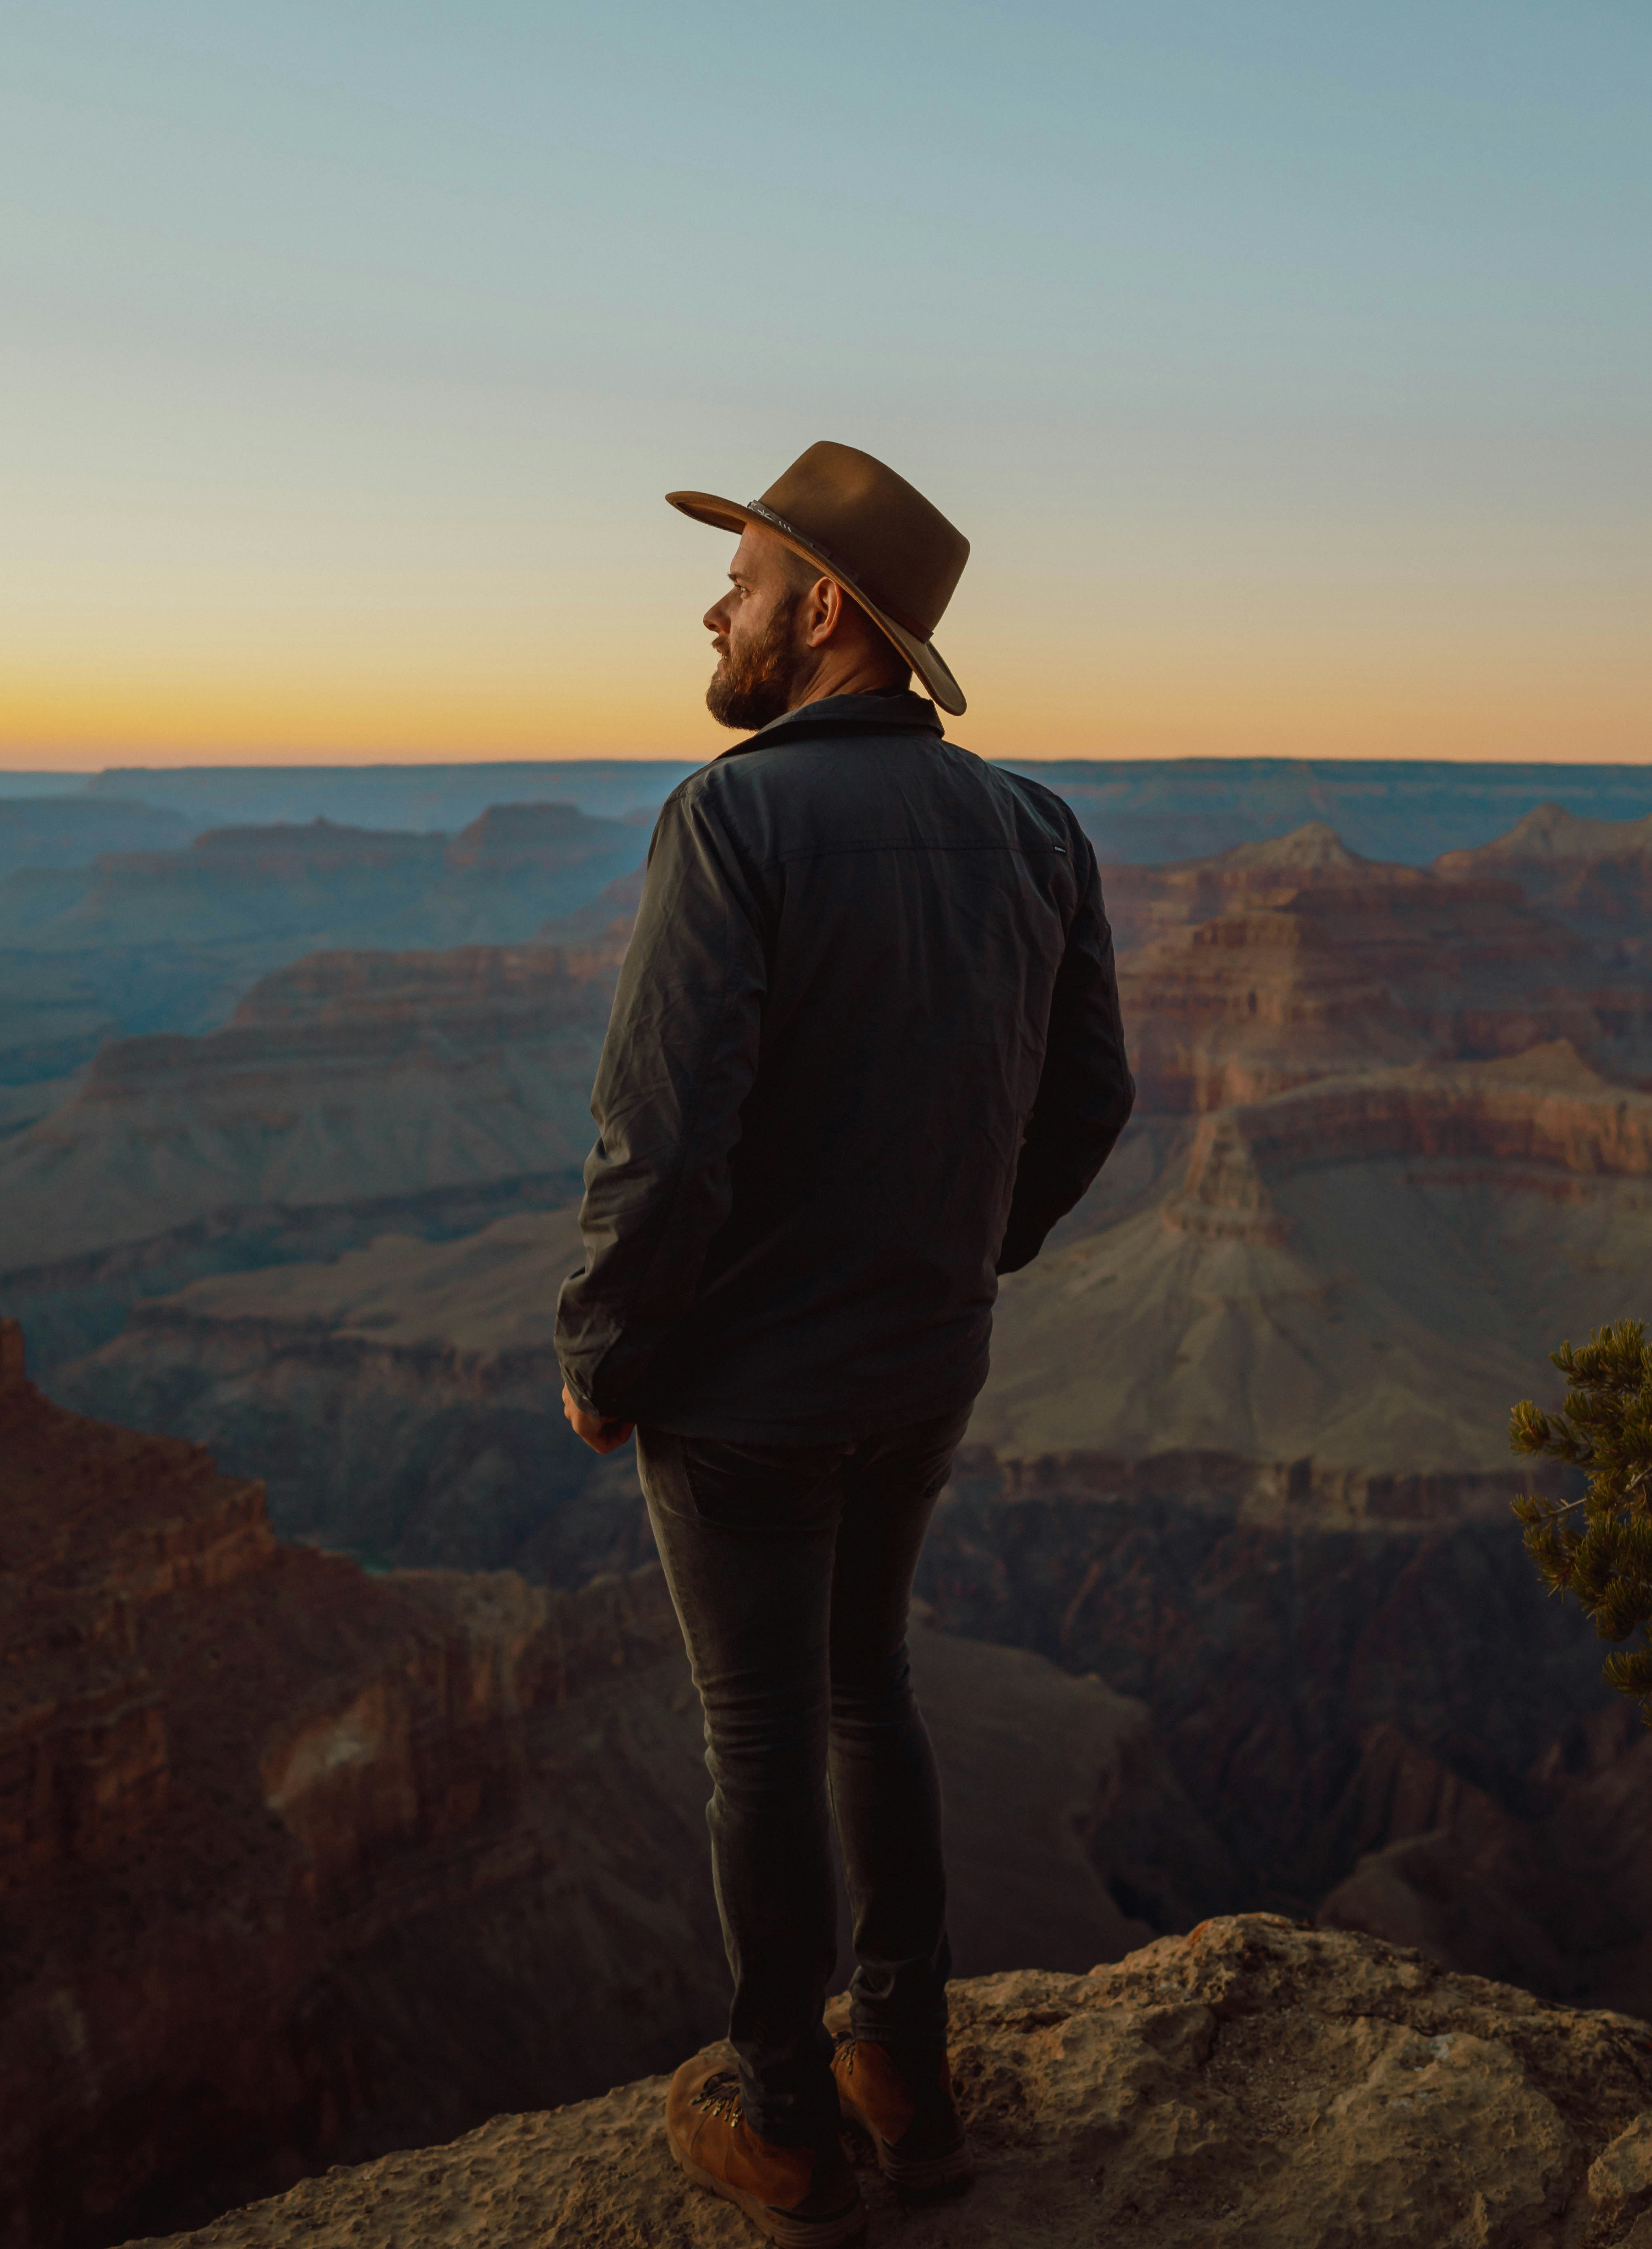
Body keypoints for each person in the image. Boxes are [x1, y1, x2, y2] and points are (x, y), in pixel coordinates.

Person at [553, 441, 1132, 2245]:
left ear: (821, 610)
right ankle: (908, 2067)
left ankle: (786, 2119)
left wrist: (606, 1342)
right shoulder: (1037, 825)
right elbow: (1093, 1095)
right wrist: (969, 1252)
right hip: (921, 1362)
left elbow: (666, 1129)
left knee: (757, 1733)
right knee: (869, 1688)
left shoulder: (730, 818)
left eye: (740, 576)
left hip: (746, 1393)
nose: (710, 605)